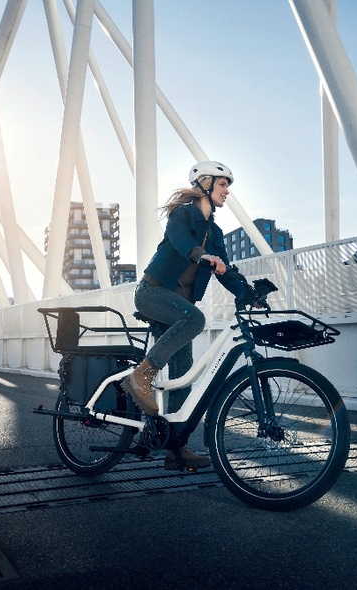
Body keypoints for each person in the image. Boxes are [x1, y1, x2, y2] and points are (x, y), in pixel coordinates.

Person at [123, 160, 248, 471]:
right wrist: (201, 255)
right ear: (205, 184)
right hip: (152, 294)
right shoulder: (183, 215)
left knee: (182, 378)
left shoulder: (215, 232)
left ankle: (175, 450)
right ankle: (142, 375)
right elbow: (181, 242)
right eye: (222, 185)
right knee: (196, 319)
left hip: (177, 306)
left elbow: (225, 270)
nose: (227, 191)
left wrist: (249, 293)